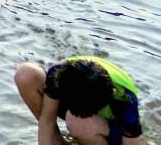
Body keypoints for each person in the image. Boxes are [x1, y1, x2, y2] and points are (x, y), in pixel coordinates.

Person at [14, 56, 144, 145]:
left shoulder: (125, 99)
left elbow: (131, 142)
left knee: (79, 124)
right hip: (77, 99)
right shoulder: (59, 74)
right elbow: (47, 119)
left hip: (108, 123)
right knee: (26, 73)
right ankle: (58, 141)